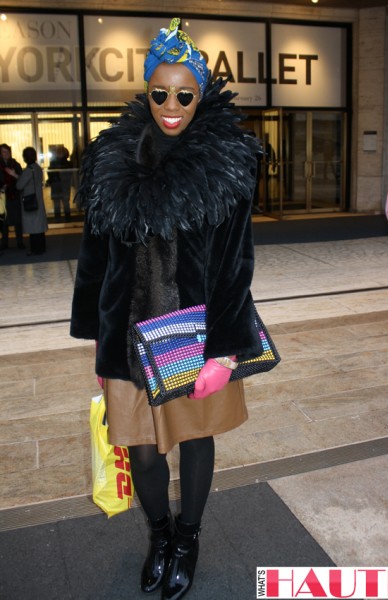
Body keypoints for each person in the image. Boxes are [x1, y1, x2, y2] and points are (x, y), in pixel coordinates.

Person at [70, 18, 263, 600]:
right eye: (160, 93)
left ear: (200, 95)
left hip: (198, 337)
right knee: (143, 453)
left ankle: (190, 536)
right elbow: (95, 262)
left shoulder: (227, 162)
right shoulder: (111, 159)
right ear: (146, 90)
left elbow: (235, 263)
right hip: (128, 340)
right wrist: (99, 348)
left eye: (185, 94)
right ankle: (159, 535)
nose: (172, 105)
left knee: (197, 442)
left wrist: (226, 352)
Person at [7, 147, 48, 256]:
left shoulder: (28, 170)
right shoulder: (38, 168)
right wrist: (16, 175)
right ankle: (41, 248)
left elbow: (19, 185)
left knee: (33, 227)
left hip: (30, 201)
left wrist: (15, 176)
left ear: (25, 158)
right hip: (38, 200)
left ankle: (35, 250)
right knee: (39, 227)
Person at [0, 143, 24, 250]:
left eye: (7, 151)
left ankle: (20, 242)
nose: (6, 153)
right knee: (4, 221)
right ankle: (4, 242)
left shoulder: (15, 164)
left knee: (17, 220)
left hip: (14, 195)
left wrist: (14, 175)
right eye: (3, 152)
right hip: (2, 197)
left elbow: (22, 178)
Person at [47, 146, 73, 221]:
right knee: (65, 203)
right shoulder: (69, 163)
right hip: (64, 185)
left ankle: (58, 219)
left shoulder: (53, 163)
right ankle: (67, 220)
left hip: (56, 185)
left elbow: (50, 174)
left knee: (57, 204)